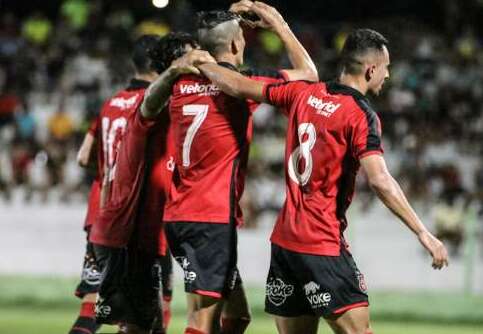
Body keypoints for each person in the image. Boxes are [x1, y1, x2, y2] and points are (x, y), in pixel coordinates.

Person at [197, 28, 449, 334]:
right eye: (386, 68)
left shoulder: (303, 93)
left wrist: (202, 64)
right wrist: (423, 233)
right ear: (371, 69)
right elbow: (380, 180)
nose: (388, 75)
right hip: (321, 245)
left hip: (285, 244)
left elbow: (238, 86)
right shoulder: (360, 115)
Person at [161, 2, 317, 333]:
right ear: (235, 45)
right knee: (203, 322)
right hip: (210, 217)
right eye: (243, 39)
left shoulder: (179, 84)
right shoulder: (242, 84)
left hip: (179, 213)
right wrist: (279, 24)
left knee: (237, 316)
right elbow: (309, 75)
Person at [89, 32, 213, 334]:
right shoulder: (150, 107)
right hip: (129, 238)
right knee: (143, 327)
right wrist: (176, 71)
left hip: (141, 236)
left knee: (146, 325)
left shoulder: (178, 111)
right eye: (190, 60)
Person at [68, 120, 101, 334]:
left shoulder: (109, 109)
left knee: (91, 306)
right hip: (137, 216)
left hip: (99, 215)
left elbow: (83, 156)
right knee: (145, 312)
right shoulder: (160, 109)